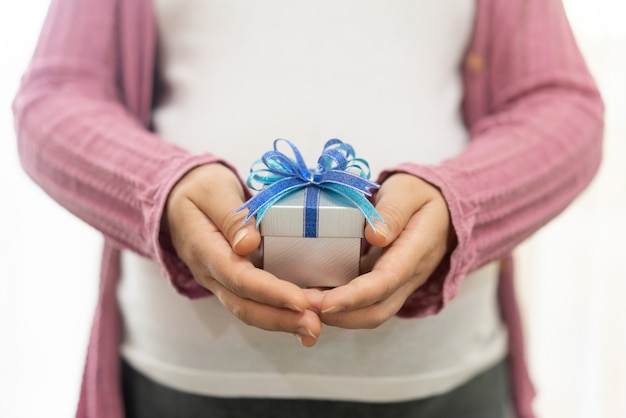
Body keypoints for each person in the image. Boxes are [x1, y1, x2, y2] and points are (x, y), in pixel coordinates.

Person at [13, 0, 603, 417]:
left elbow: (563, 107)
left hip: (442, 381)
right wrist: (163, 188)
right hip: (178, 383)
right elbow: (55, 97)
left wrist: (459, 203)